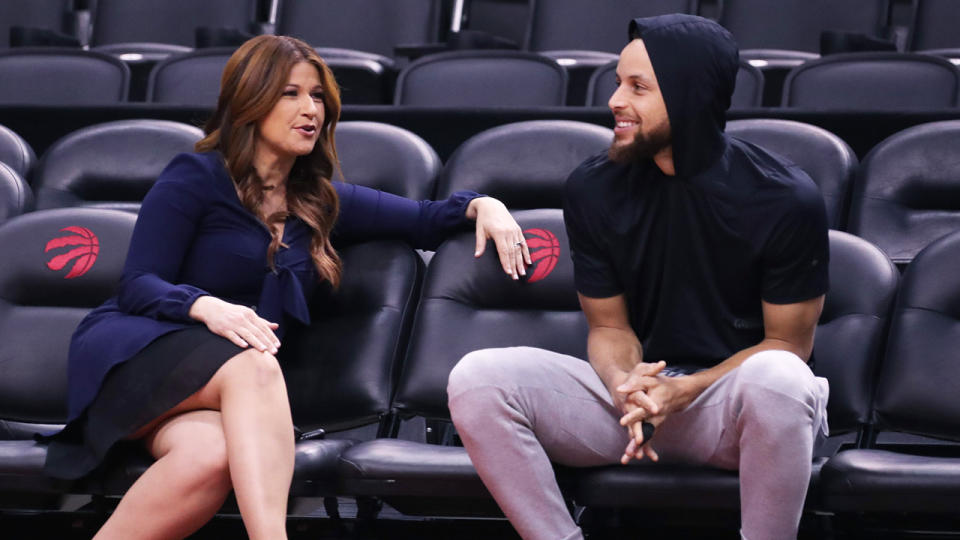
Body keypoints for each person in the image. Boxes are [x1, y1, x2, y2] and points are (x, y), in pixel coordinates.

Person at [43, 35, 531, 540]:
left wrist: (485, 205)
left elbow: (428, 219)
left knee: (208, 458)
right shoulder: (196, 176)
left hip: (221, 387)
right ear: (250, 102)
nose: (310, 110)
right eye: (290, 94)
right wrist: (207, 307)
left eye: (318, 96)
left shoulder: (320, 200)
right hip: (137, 352)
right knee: (256, 364)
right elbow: (138, 284)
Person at [448, 14, 830, 540]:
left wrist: (685, 390)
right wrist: (627, 388)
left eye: (638, 87)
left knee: (782, 380)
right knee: (479, 377)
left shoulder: (785, 197)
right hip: (635, 411)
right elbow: (609, 329)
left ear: (691, 96)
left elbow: (787, 344)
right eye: (617, 82)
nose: (615, 101)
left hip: (733, 411)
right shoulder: (593, 189)